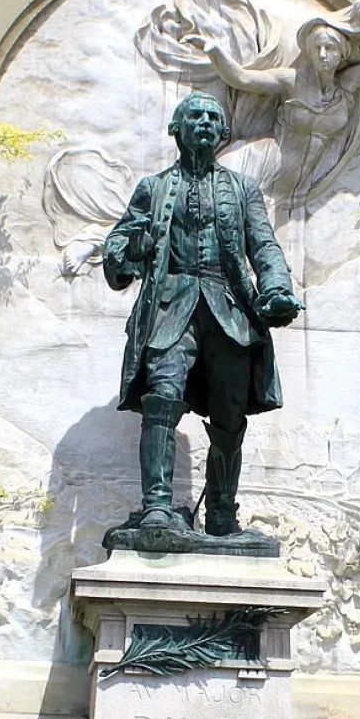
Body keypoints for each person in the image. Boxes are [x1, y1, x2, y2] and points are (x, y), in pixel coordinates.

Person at [103, 92, 303, 535]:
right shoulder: (153, 188)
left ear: (224, 132)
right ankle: (156, 506)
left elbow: (263, 244)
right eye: (195, 116)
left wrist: (276, 288)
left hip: (228, 309)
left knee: (230, 413)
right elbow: (118, 246)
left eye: (214, 117)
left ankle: (222, 514)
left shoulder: (242, 188)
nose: (206, 123)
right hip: (170, 308)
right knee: (162, 395)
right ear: (176, 128)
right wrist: (130, 250)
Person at [183, 0, 360, 211]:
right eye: (317, 48)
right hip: (262, 164)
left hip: (298, 187)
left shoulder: (348, 84)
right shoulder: (292, 80)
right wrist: (215, 52)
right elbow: (242, 79)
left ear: (342, 53)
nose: (322, 54)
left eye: (330, 48)